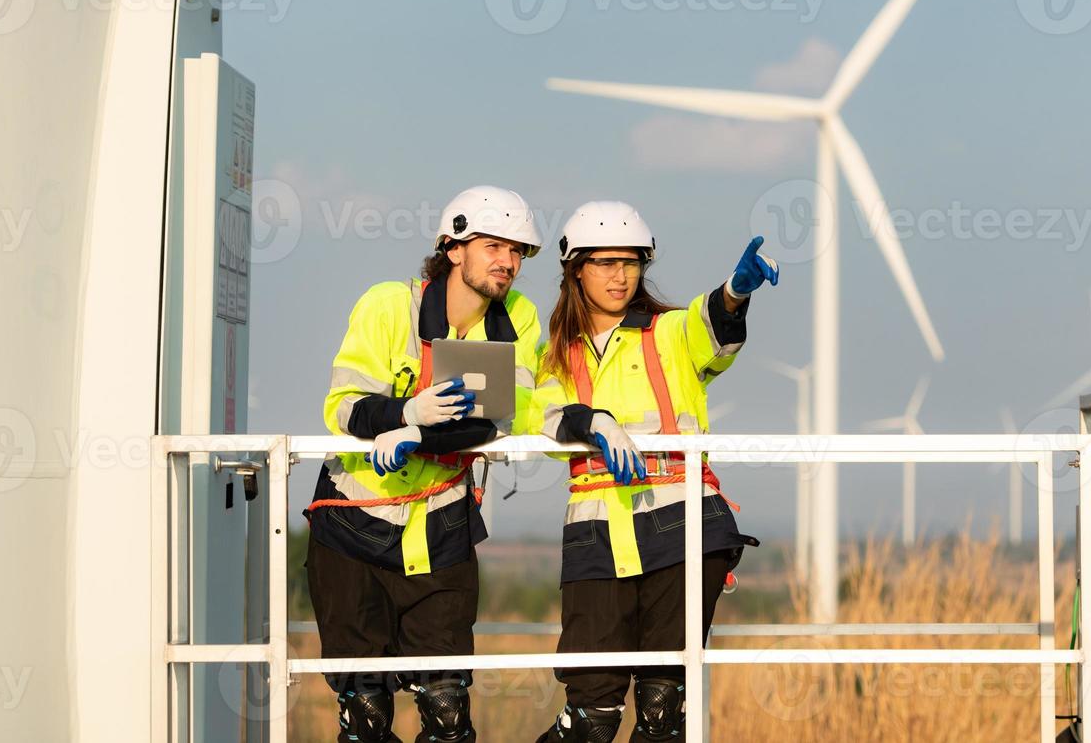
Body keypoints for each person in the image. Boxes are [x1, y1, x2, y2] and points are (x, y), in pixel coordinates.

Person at [524, 200, 777, 742]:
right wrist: (593, 421)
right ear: (575, 269)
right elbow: (538, 416)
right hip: (597, 534)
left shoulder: (668, 331)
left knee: (663, 714)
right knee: (590, 720)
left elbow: (713, 329)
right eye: (605, 262)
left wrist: (735, 293)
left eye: (632, 262)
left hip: (682, 524)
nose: (620, 275)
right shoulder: (555, 355)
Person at [303, 185, 543, 743]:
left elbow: (500, 417)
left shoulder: (520, 318)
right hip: (351, 529)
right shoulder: (390, 303)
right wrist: (401, 411)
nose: (507, 262)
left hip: (442, 528)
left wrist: (417, 432)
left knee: (449, 715)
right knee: (365, 719)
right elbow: (343, 408)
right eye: (493, 246)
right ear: (453, 248)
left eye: (516, 251)